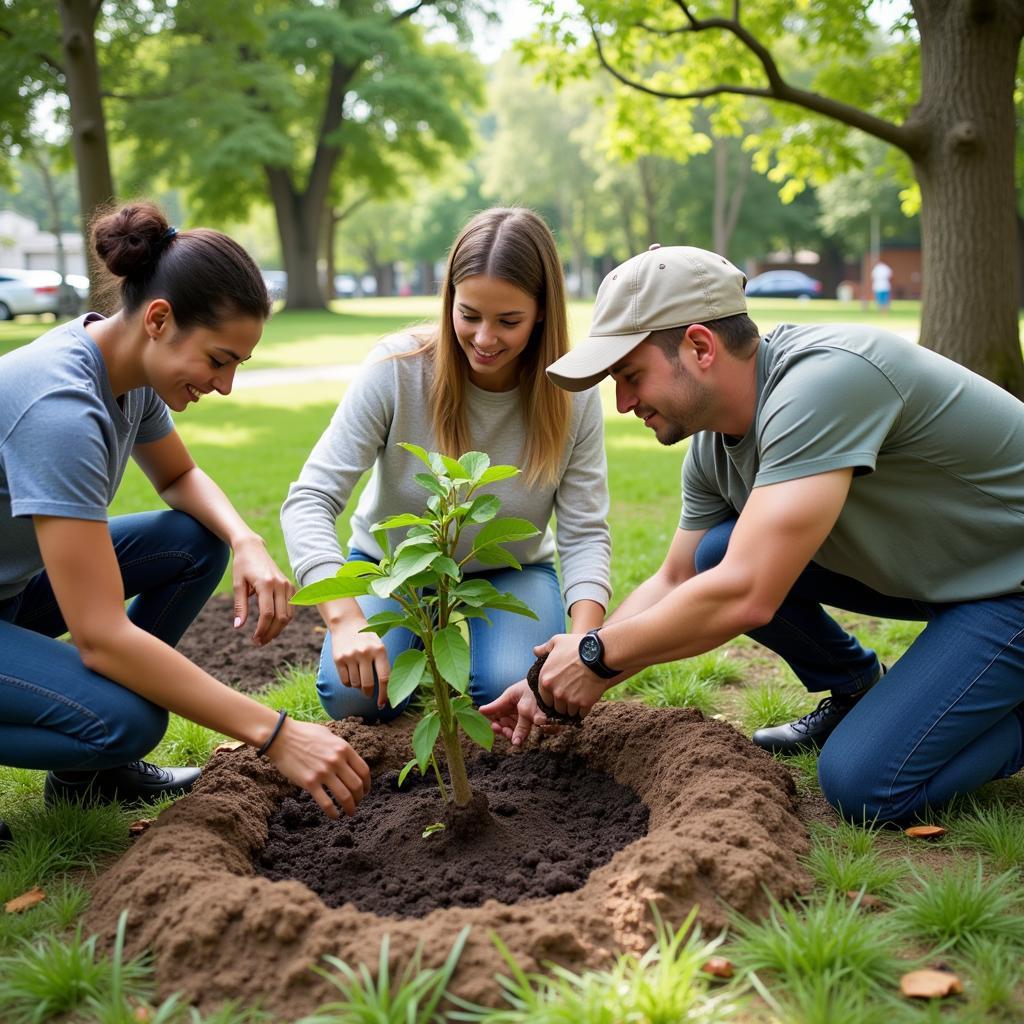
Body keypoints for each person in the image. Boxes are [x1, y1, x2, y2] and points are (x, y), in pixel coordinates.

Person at [482, 243, 1024, 827]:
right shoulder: (713, 450)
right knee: (718, 550)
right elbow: (677, 577)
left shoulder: (824, 382)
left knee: (865, 785)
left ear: (699, 346)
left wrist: (596, 655)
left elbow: (747, 594)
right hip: (957, 572)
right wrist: (549, 684)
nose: (623, 402)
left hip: (1010, 581)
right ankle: (856, 689)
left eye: (631, 375)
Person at [0, 202, 370, 847]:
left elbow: (177, 479)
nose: (224, 385)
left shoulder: (127, 368)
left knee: (194, 542)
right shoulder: (60, 408)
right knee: (127, 721)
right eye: (219, 359)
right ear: (160, 318)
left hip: (10, 593)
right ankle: (99, 750)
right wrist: (275, 733)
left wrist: (246, 539)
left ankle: (88, 776)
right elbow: (102, 637)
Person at [281, 207, 611, 721]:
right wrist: (344, 619)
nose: (484, 339)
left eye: (508, 321)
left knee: (513, 686)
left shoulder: (573, 395)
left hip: (511, 570)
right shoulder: (397, 370)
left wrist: (581, 643)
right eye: (469, 314)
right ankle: (408, 638)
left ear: (543, 311)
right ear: (449, 300)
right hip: (397, 569)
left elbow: (585, 531)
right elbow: (310, 498)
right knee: (356, 696)